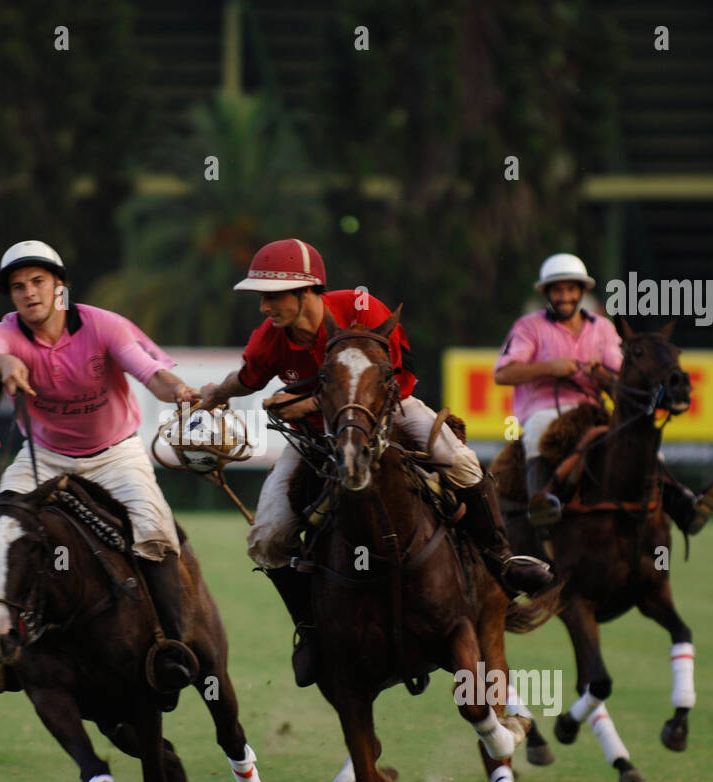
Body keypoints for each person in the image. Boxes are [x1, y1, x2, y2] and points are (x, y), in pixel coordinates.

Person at [192, 239, 553, 688]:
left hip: (387, 413)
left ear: (308, 291)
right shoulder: (270, 339)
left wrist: (306, 404)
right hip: (316, 442)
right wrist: (213, 395)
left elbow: (394, 377)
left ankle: (503, 561)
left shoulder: (361, 310)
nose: (264, 307)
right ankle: (310, 628)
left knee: (458, 462)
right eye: (261, 297)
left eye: (273, 295)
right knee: (266, 539)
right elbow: (245, 379)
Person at [0, 240, 202, 694]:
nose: (29, 293)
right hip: (44, 458)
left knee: (155, 532)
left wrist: (182, 392)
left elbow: (151, 374)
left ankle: (173, 646)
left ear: (59, 286)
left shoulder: (103, 325)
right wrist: (3, 359)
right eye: (18, 286)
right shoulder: (9, 332)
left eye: (38, 282)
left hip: (115, 454)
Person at [493, 252, 713, 534]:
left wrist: (603, 376)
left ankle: (684, 506)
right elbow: (503, 373)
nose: (564, 296)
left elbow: (622, 377)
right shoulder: (529, 327)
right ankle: (543, 506)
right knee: (537, 433)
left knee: (642, 445)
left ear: (581, 291)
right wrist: (549, 367)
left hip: (593, 411)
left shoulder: (602, 328)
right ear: (546, 293)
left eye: (570, 289)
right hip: (546, 411)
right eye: (557, 289)